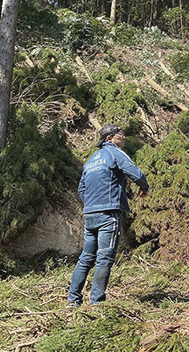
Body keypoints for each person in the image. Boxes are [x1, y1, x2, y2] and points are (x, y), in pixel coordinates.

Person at [67, 124, 149, 307]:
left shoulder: (91, 160)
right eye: (120, 134)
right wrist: (144, 187)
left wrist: (91, 203)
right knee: (104, 257)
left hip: (90, 214)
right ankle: (96, 302)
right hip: (109, 214)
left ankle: (73, 301)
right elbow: (135, 172)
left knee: (86, 258)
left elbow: (81, 188)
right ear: (109, 139)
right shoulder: (114, 152)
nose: (124, 136)